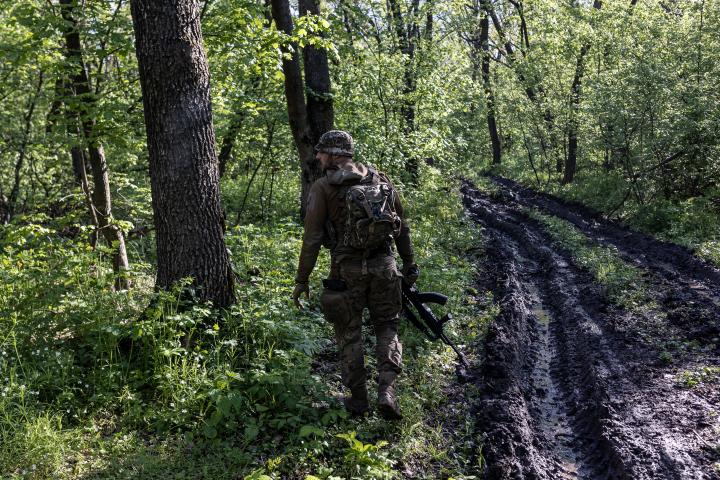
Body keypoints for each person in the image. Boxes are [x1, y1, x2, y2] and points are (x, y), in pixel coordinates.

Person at [291, 130, 419, 420]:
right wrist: (409, 263)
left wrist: (302, 280)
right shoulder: (380, 179)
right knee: (387, 327)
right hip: (385, 266)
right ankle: (387, 391)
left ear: (335, 155)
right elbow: (402, 225)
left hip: (345, 270)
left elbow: (312, 238)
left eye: (322, 152)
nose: (318, 157)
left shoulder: (323, 187)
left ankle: (359, 400)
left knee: (349, 333)